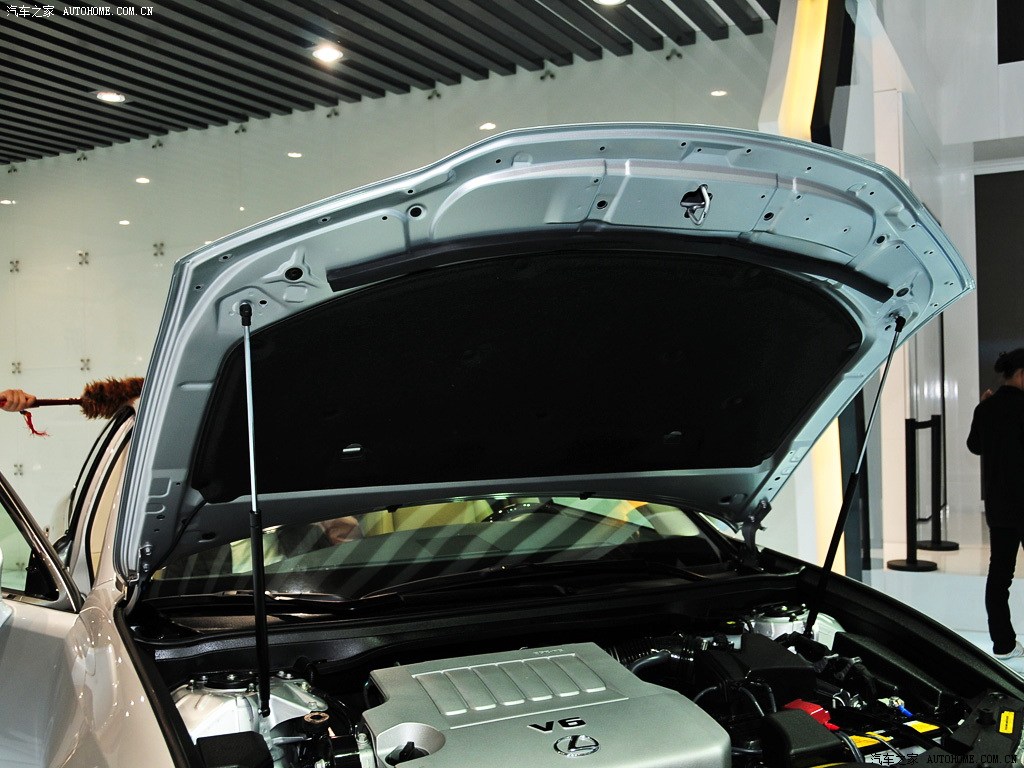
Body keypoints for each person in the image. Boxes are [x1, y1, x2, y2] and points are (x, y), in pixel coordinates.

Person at [967, 348, 1024, 660]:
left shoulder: (986, 407)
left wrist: (983, 407)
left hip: (1000, 506)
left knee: (1000, 576)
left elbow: (975, 446)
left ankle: (1003, 645)